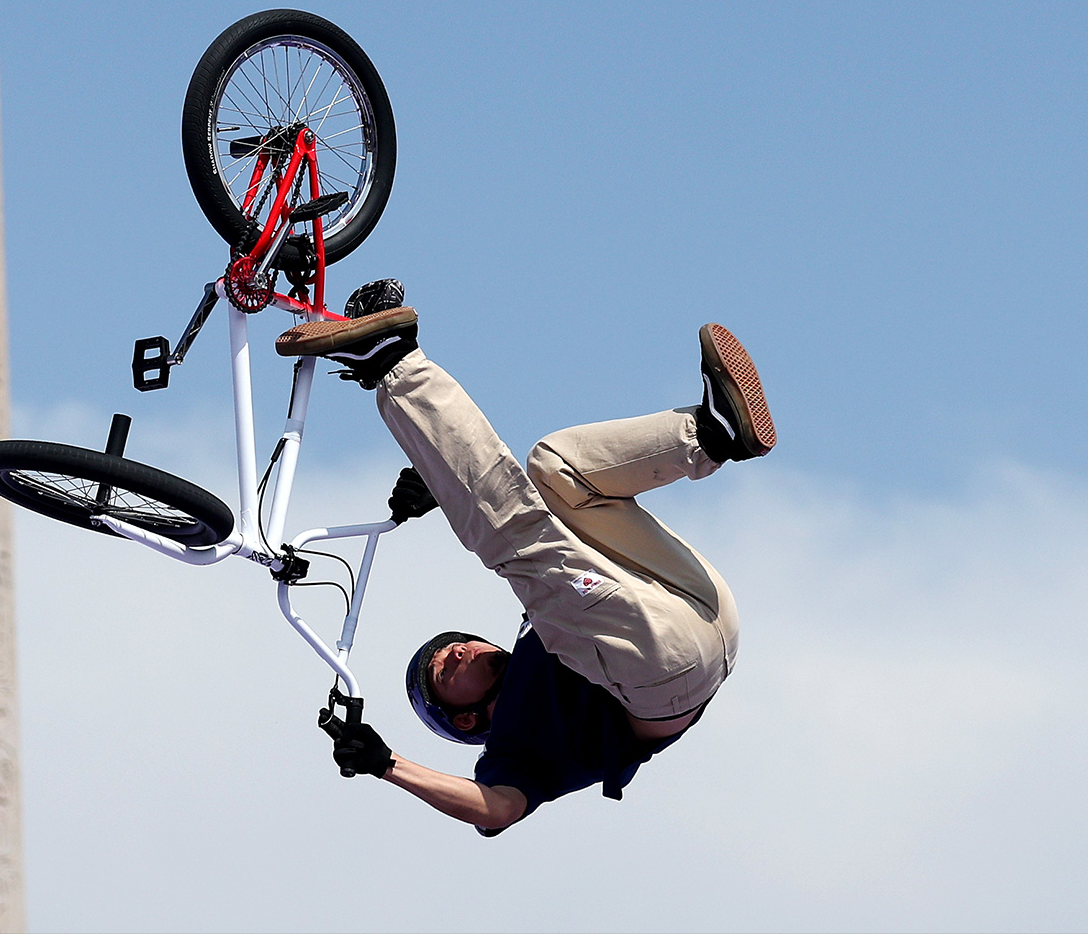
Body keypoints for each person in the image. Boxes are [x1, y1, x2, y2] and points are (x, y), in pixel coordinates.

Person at [278, 280, 775, 835]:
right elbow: (495, 811)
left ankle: (709, 433)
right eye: (446, 668)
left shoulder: (557, 630)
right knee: (517, 544)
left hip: (700, 605)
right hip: (664, 674)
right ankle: (392, 363)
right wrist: (387, 765)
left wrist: (444, 491)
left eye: (455, 645)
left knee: (553, 471)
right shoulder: (517, 750)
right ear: (464, 717)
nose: (461, 650)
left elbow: (516, 504)